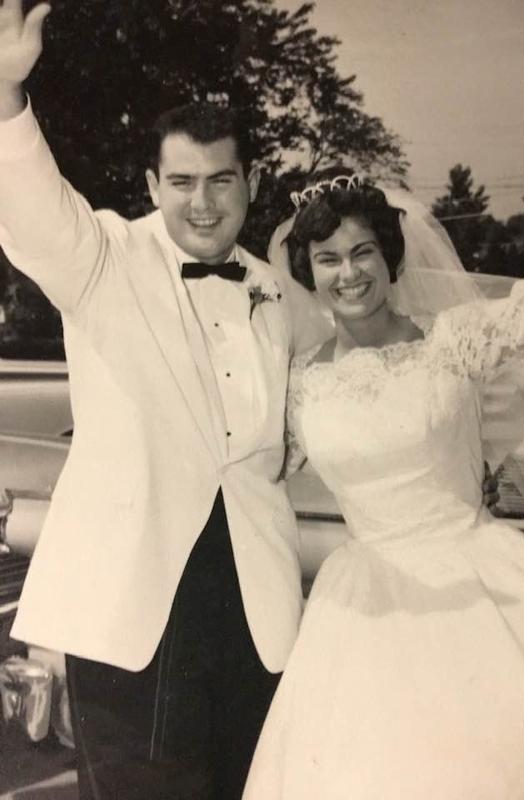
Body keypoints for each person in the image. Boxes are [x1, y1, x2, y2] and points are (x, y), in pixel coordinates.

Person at [0, 2, 332, 798]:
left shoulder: (284, 298)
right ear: (152, 185)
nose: (202, 202)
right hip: (133, 618)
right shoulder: (102, 257)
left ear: (252, 183)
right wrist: (7, 98)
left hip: (256, 617)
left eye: (221, 180)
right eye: (181, 182)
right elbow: (32, 212)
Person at [242, 94, 524, 797]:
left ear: (390, 255)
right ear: (307, 271)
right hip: (362, 613)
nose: (349, 274)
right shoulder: (299, 384)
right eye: (328, 259)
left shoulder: (455, 340)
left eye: (363, 252)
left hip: (481, 586)